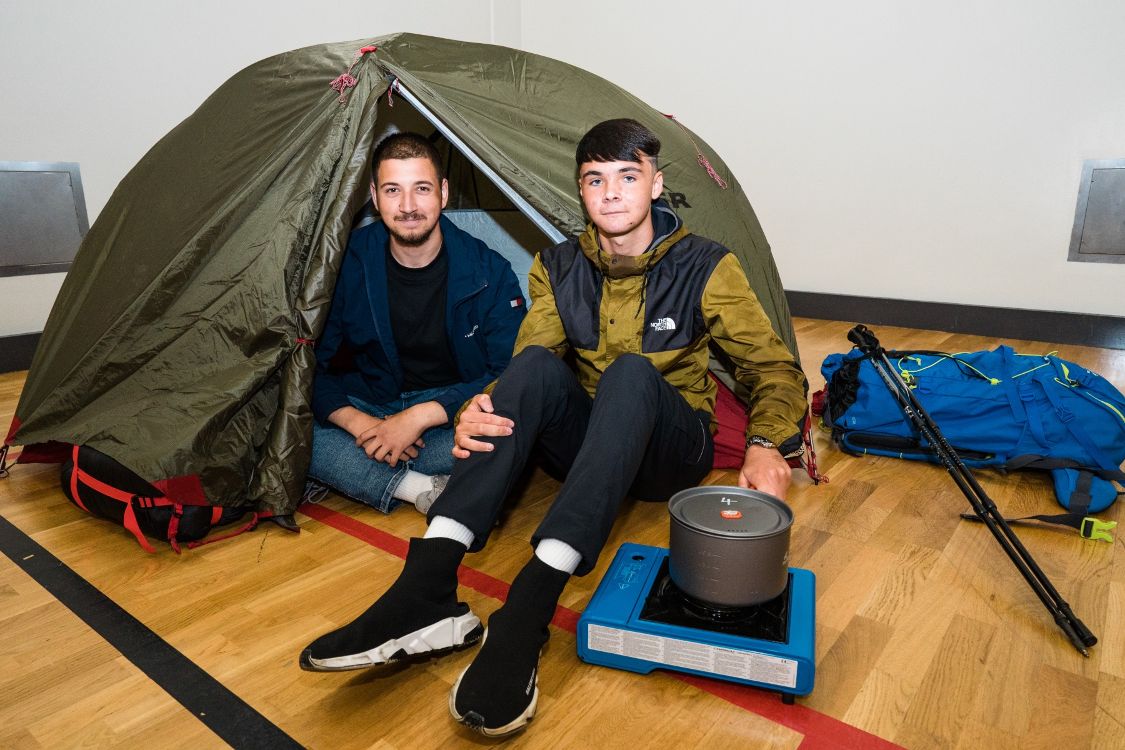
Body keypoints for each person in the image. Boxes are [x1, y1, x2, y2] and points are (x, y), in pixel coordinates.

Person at [299, 119, 808, 736]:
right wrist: (481, 406)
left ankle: (526, 614)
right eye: (596, 180)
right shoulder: (556, 267)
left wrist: (763, 443)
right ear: (581, 191)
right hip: (592, 445)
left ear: (656, 184)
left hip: (672, 448)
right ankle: (426, 587)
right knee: (535, 365)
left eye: (628, 176)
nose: (612, 193)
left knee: (629, 373)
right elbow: (527, 362)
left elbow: (772, 366)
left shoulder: (706, 265)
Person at [307, 132, 526, 515]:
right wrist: (360, 424)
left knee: (510, 432)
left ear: (443, 192)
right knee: (293, 430)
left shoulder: (488, 271)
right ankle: (419, 487)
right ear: (375, 198)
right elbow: (310, 363)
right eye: (393, 191)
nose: (408, 206)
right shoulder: (345, 263)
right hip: (369, 403)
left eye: (421, 189)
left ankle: (373, 469)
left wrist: (420, 417)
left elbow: (509, 371)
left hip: (448, 412)